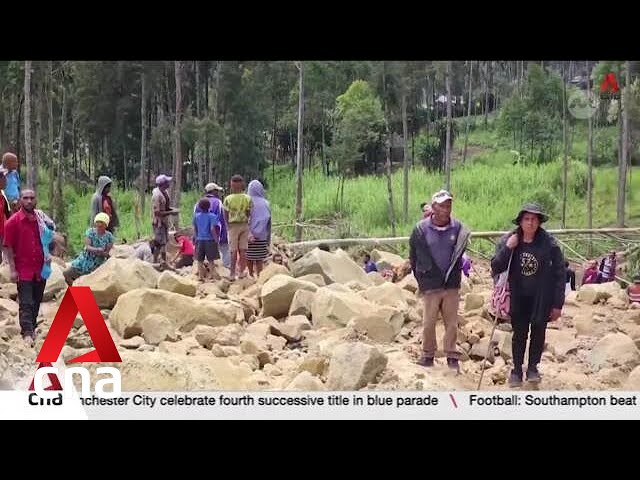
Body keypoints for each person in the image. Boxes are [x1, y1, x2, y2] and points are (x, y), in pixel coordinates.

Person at [491, 202, 565, 387]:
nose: (530, 223)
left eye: (534, 219)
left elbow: (559, 273)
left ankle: (533, 367)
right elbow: (495, 266)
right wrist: (508, 248)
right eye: (527, 219)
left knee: (539, 331)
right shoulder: (511, 239)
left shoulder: (549, 244)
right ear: (521, 221)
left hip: (541, 296)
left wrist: (558, 304)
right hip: (518, 295)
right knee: (519, 334)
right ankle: (516, 369)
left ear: (539, 222)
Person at [409, 189, 470, 372]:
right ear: (434, 207)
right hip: (430, 284)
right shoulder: (420, 229)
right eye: (442, 205)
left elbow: (460, 253)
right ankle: (428, 355)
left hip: (451, 283)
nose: (446, 209)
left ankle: (451, 356)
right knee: (428, 322)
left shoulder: (458, 228)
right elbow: (414, 257)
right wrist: (421, 280)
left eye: (449, 205)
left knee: (451, 322)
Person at [3, 190, 56, 347]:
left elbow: (50, 237)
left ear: (36, 200)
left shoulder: (41, 220)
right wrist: (12, 269)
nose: (29, 201)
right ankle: (27, 332)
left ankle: (31, 327)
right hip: (23, 268)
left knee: (37, 299)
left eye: (32, 198)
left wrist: (51, 252)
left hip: (41, 267)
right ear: (20, 201)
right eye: (25, 198)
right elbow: (7, 246)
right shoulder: (12, 222)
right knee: (26, 301)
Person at [63, 213, 114, 285]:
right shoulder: (90, 232)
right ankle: (77, 291)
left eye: (102, 223)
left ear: (106, 225)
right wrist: (97, 250)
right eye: (98, 222)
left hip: (97, 264)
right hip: (84, 261)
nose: (99, 224)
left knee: (89, 282)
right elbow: (87, 246)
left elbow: (106, 253)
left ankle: (84, 294)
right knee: (66, 274)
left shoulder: (109, 236)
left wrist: (103, 253)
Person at [222, 175, 252, 281]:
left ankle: (232, 273)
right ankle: (242, 272)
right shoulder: (247, 198)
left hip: (233, 226)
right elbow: (249, 212)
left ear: (232, 186)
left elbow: (225, 213)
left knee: (233, 250)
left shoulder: (228, 199)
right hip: (244, 224)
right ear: (242, 185)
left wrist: (227, 224)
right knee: (243, 249)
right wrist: (246, 220)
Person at [194, 182, 230, 269]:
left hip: (201, 236)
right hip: (216, 234)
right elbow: (221, 219)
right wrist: (221, 235)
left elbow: (195, 222)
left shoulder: (198, 203)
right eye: (217, 191)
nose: (218, 193)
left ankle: (203, 272)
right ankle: (225, 268)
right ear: (213, 191)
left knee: (202, 256)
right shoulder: (218, 202)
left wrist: (195, 237)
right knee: (224, 250)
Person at [151, 174, 179, 265]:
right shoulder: (156, 195)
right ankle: (156, 261)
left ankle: (162, 261)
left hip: (164, 222)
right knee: (159, 243)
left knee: (163, 242)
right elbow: (157, 212)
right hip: (158, 222)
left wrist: (171, 210)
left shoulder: (165, 193)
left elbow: (165, 208)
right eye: (167, 182)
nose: (169, 183)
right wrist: (171, 213)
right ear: (163, 184)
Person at [246, 180, 271, 278]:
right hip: (262, 236)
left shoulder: (246, 201)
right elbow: (269, 222)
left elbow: (244, 218)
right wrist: (268, 239)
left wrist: (247, 233)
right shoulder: (266, 203)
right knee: (259, 258)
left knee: (249, 257)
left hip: (248, 235)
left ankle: (250, 274)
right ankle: (260, 276)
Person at [193, 197, 221, 281]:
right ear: (209, 207)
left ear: (199, 207)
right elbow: (212, 229)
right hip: (209, 240)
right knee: (211, 259)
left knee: (200, 259)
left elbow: (195, 228)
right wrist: (216, 239)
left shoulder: (196, 216)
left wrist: (195, 237)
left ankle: (200, 276)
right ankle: (212, 275)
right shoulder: (212, 216)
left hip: (199, 240)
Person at [0, 168, 9, 263]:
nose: (7, 181)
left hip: (2, 231)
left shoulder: (2, 196)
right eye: (4, 178)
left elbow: (7, 213)